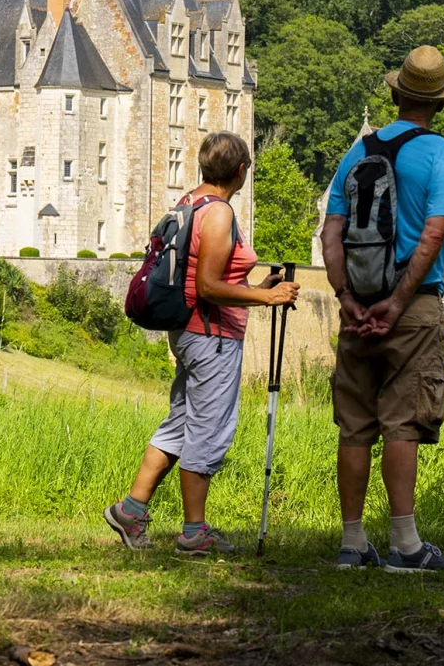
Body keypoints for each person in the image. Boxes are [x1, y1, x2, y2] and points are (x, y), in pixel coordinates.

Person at [319, 45, 444, 573]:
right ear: (440, 103)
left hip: (357, 304)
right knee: (403, 422)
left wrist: (346, 298)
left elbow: (331, 229)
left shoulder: (360, 151)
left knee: (356, 425)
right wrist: (397, 302)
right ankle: (406, 547)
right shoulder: (441, 154)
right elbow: (435, 234)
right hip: (411, 309)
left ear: (394, 92)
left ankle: (351, 543)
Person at [104, 131, 299, 556]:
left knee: (180, 422)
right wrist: (267, 297)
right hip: (211, 336)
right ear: (241, 171)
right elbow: (208, 286)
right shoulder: (220, 214)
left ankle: (131, 510)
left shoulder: (190, 202)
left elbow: (211, 276)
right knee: (208, 430)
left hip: (190, 331)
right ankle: (194, 532)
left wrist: (256, 285)